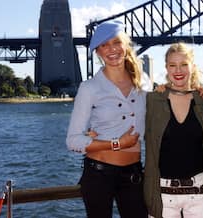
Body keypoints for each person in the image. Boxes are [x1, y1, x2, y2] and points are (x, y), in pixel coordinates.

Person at [66, 20, 148, 218]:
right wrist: (116, 144)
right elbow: (73, 141)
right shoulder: (89, 88)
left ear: (126, 45)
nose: (111, 49)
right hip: (98, 175)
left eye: (116, 42)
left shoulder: (144, 82)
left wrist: (196, 91)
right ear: (97, 52)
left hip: (134, 174)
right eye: (103, 45)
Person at [144, 42, 203, 218]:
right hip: (163, 195)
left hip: (198, 194)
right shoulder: (153, 101)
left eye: (184, 64)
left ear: (192, 67)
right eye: (172, 65)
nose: (178, 70)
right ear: (166, 68)